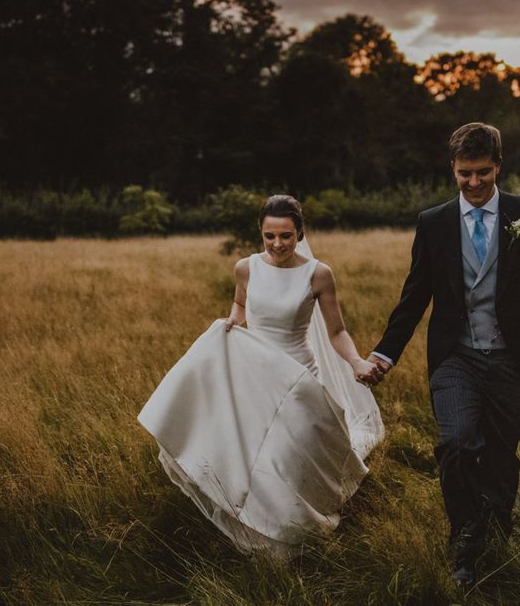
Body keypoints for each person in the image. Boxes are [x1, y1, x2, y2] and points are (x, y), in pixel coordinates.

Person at [366, 123, 520, 586]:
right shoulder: (434, 223)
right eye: (464, 174)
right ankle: (464, 538)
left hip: (512, 358)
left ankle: (496, 521)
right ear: (453, 168)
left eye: (482, 173)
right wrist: (385, 353)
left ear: (498, 166)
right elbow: (415, 295)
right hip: (455, 358)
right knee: (459, 444)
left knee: (503, 456)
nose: (473, 183)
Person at [138, 195, 384, 557]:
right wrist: (233, 321)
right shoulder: (246, 267)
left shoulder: (318, 274)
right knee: (255, 456)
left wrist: (356, 362)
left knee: (288, 454)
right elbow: (241, 303)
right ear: (261, 233)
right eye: (270, 236)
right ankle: (262, 530)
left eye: (286, 236)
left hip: (298, 374)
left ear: (300, 233)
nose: (277, 244)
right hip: (254, 372)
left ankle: (297, 528)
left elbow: (336, 332)